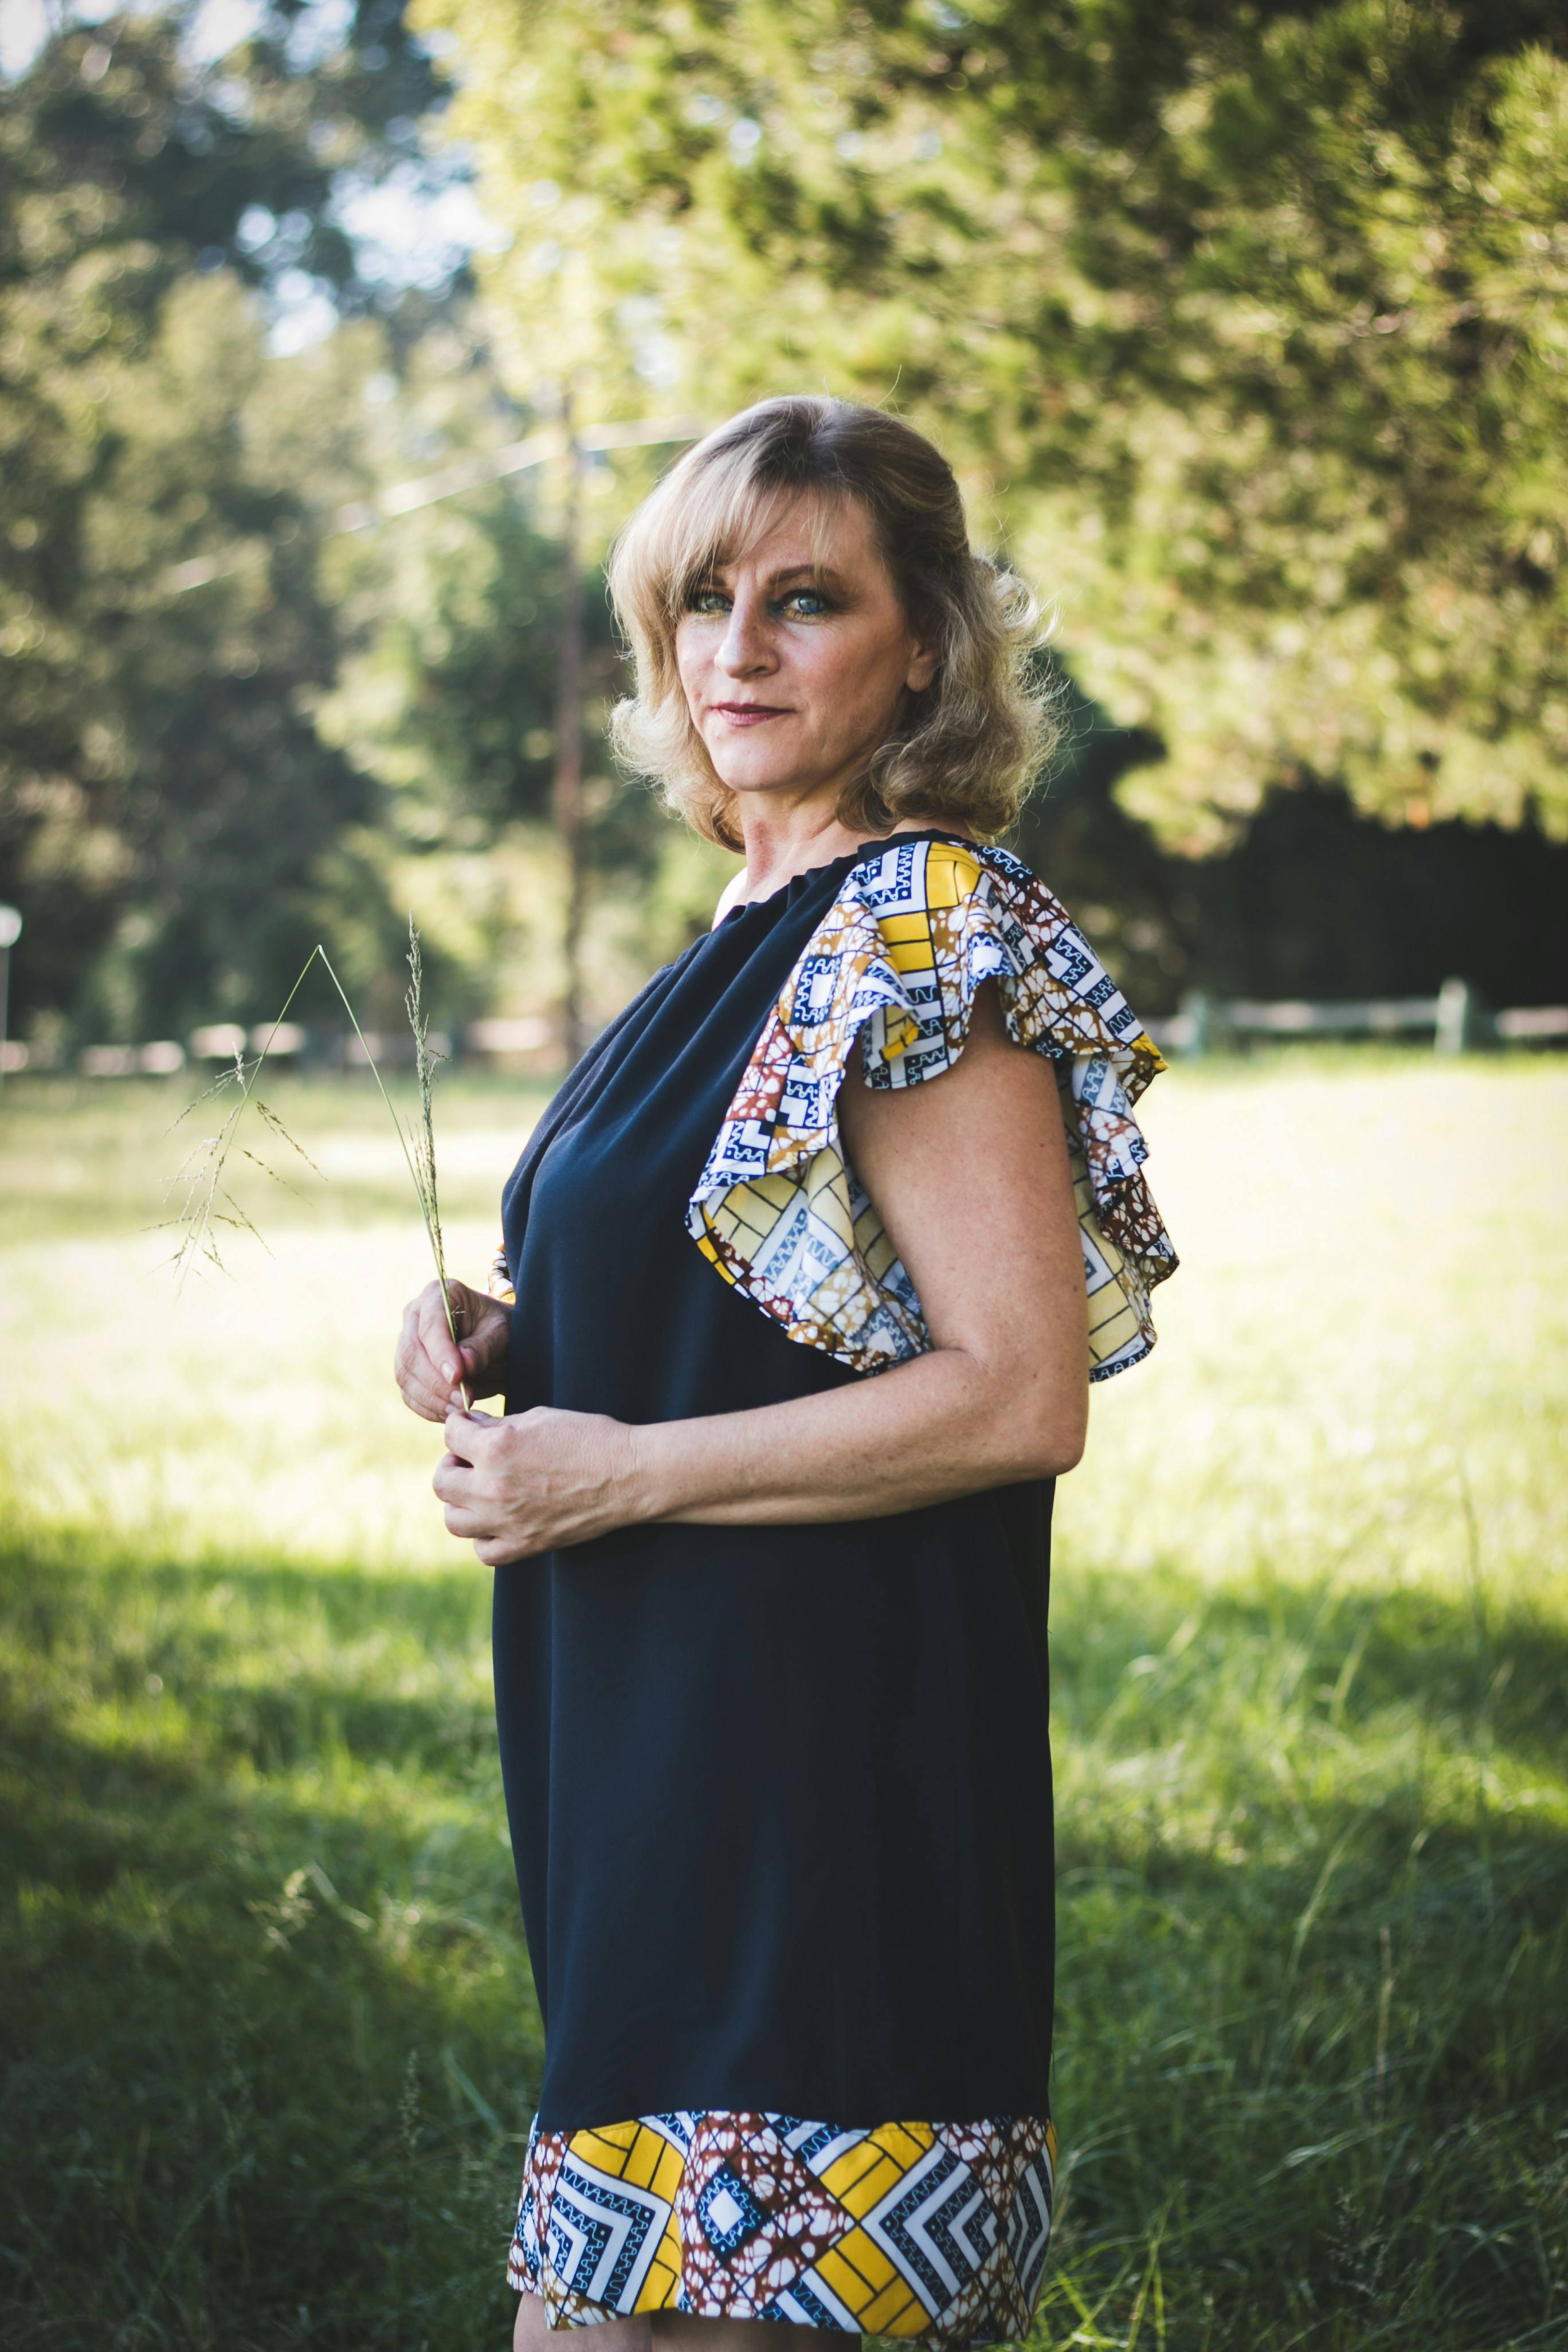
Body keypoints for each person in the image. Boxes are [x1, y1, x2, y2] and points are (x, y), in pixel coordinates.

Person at [394, 396, 1176, 2352]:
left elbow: (1018, 1393)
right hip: (650, 1774)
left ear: (924, 638)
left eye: (804, 598)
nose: (735, 649)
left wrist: (623, 1472)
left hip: (820, 1794)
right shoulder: (735, 930)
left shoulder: (922, 927)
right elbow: (766, 1283)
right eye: (700, 601)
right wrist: (510, 1327)